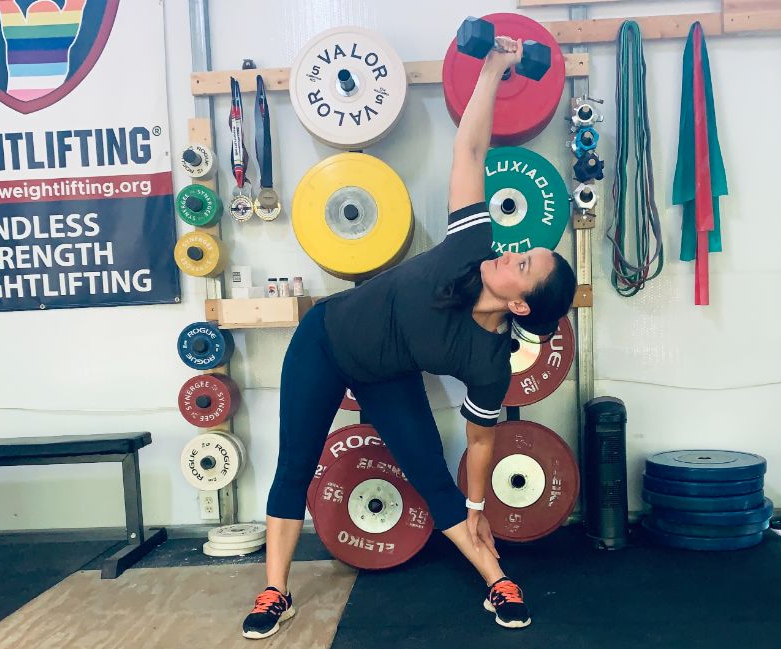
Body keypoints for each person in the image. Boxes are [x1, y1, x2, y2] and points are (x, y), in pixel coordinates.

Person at [241, 36, 577, 639]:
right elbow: (470, 149)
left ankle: (497, 581)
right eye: (523, 249)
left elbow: (479, 444)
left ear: (521, 302)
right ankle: (276, 590)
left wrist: (478, 508)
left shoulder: (488, 362)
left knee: (431, 478)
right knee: (295, 466)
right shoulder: (473, 246)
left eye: (523, 263)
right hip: (324, 339)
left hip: (384, 374)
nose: (513, 252)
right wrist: (495, 69)